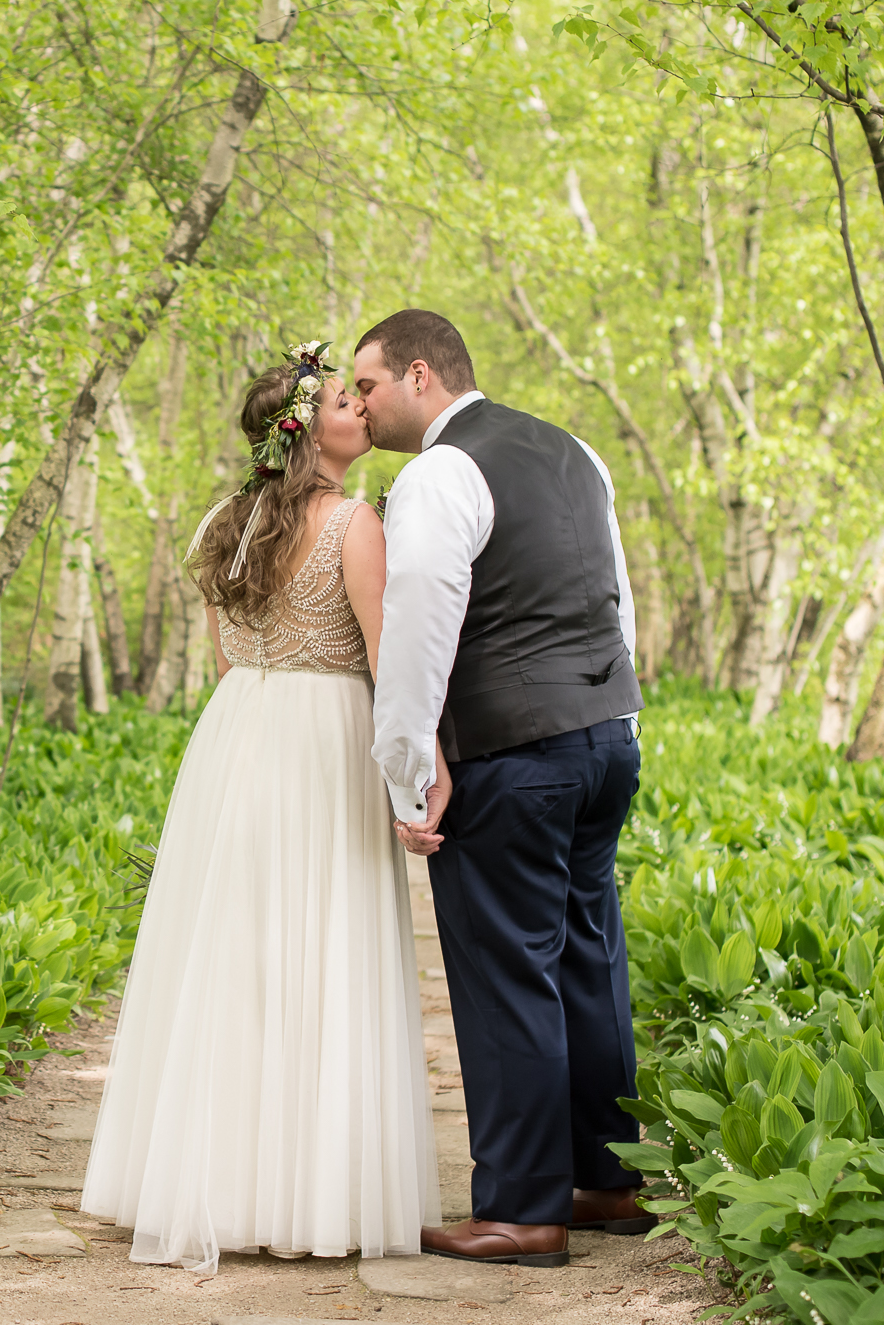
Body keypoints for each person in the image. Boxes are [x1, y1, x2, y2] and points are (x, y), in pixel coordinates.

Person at [81, 342, 440, 1274]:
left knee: (233, 949)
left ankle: (215, 1177)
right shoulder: (359, 524)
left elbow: (228, 658)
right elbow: (387, 660)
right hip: (326, 737)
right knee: (320, 944)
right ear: (306, 432)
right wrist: (416, 771)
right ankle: (307, 1186)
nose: (359, 408)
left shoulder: (222, 523)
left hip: (239, 731)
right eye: (340, 401)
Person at [358, 309, 654, 1269]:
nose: (360, 405)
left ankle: (524, 1209)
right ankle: (605, 1180)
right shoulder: (576, 452)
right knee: (586, 953)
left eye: (366, 386)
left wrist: (410, 771)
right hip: (605, 736)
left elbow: (418, 627)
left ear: (418, 375)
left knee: (505, 970)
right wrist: (621, 719)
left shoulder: (438, 473)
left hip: (512, 754)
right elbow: (615, 597)